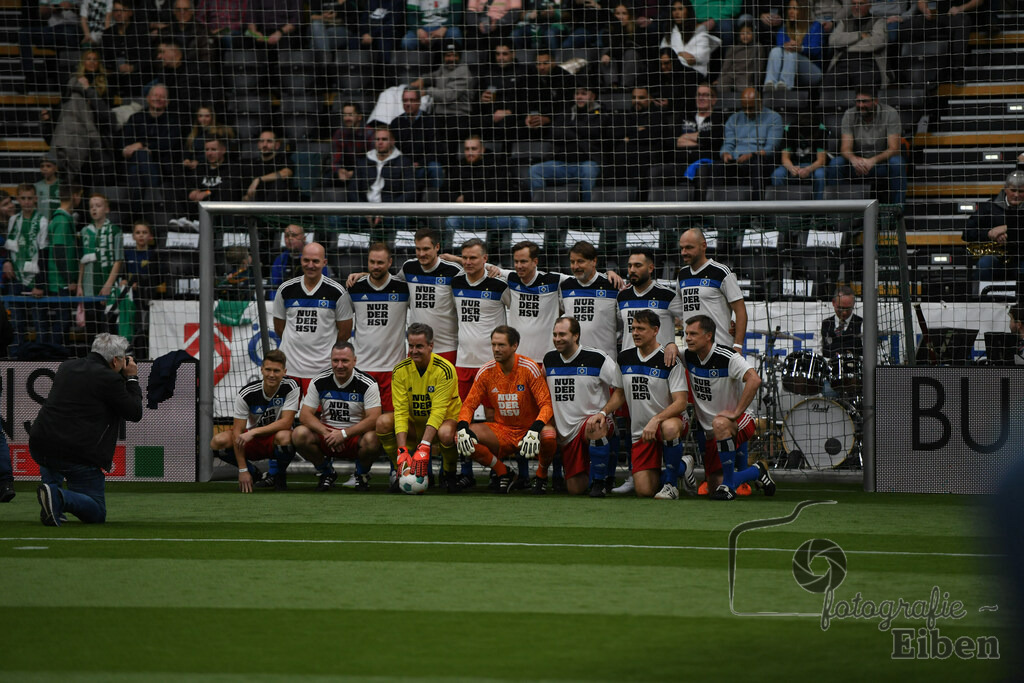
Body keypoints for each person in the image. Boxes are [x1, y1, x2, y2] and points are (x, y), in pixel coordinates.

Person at [32, 333, 143, 526]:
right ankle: (57, 497)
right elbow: (134, 412)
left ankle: (52, 495)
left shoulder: (67, 367)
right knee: (97, 512)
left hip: (41, 444)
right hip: (76, 453)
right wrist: (132, 378)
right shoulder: (110, 379)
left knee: (52, 458)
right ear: (116, 360)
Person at [682, 314, 775, 500]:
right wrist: (669, 346)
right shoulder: (688, 356)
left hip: (738, 420)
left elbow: (754, 379)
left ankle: (729, 487)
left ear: (708, 336)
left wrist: (736, 412)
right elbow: (671, 351)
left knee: (720, 423)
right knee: (714, 486)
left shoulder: (727, 356)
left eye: (693, 334)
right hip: (711, 429)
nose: (688, 338)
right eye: (686, 334)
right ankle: (757, 471)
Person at [456, 325, 557, 493]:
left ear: (514, 346)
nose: (496, 349)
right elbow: (469, 405)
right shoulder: (486, 372)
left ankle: (541, 476)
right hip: (502, 431)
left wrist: (535, 428)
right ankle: (504, 472)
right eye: (494, 345)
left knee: (549, 434)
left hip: (529, 431)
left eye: (501, 345)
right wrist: (462, 427)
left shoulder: (529, 368)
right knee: (461, 438)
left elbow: (546, 404)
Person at [350, 227, 463, 363]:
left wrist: (466, 261)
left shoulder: (453, 270)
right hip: (416, 350)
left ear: (437, 247)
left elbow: (475, 273)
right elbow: (390, 281)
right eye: (418, 249)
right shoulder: (409, 267)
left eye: (426, 249)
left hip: (446, 348)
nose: (421, 254)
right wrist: (364, 275)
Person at [542, 316, 624, 495]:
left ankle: (601, 482)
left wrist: (603, 412)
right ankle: (591, 471)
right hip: (566, 434)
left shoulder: (597, 358)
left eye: (562, 334)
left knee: (595, 426)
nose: (557, 339)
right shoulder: (549, 360)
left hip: (591, 424)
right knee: (575, 489)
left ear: (576, 335)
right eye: (555, 334)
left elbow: (620, 388)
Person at [617, 310, 693, 499]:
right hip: (641, 431)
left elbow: (682, 402)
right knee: (644, 491)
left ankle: (671, 485)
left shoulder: (669, 359)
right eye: (633, 328)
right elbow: (619, 394)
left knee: (668, 427)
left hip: (669, 423)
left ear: (655, 330)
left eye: (641, 329)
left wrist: (656, 419)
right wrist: (602, 413)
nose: (635, 333)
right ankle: (682, 466)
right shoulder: (624, 357)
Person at [377, 323, 462, 491]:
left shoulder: (445, 369)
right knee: (383, 422)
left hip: (442, 424)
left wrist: (424, 446)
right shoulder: (400, 370)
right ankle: (402, 470)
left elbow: (438, 411)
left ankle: (448, 474)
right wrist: (401, 450)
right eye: (411, 346)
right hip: (415, 424)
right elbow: (400, 412)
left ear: (431, 346)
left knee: (446, 433)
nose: (414, 351)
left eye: (419, 346)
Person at [292, 343, 383, 491]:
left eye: (345, 361)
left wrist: (344, 434)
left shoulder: (367, 383)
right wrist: (327, 433)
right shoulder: (319, 380)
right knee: (299, 434)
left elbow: (374, 418)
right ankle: (326, 472)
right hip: (328, 436)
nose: (339, 365)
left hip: (354, 437)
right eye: (335, 361)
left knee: (374, 439)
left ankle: (361, 474)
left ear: (354, 361)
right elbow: (305, 415)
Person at [210, 349, 300, 491]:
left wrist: (254, 431)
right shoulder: (247, 393)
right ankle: (253, 473)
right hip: (252, 441)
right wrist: (242, 470)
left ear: (284, 372)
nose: (271, 375)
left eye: (276, 371)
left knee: (287, 437)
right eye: (268, 370)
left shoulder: (291, 386)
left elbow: (286, 422)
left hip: (274, 438)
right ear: (262, 370)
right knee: (218, 442)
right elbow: (238, 432)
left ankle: (278, 476)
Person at [271, 242, 354, 391]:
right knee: (285, 414)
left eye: (315, 261)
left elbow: (345, 333)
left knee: (316, 415)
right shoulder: (285, 289)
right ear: (301, 260)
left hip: (322, 370)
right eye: (306, 260)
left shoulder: (337, 292)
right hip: (289, 368)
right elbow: (279, 328)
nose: (310, 265)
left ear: (324, 262)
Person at [348, 242, 410, 413]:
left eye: (380, 262)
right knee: (363, 422)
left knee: (390, 422)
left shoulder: (403, 288)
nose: (375, 266)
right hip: (362, 368)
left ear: (389, 262)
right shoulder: (355, 287)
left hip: (393, 369)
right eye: (372, 262)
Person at [451, 238, 511, 399]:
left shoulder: (499, 284)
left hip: (491, 361)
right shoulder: (456, 282)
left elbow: (515, 310)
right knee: (463, 412)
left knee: (493, 413)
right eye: (464, 258)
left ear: (485, 259)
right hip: (463, 361)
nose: (468, 262)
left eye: (473, 258)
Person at [825, 86, 906, 206]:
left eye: (865, 101)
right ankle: (838, 213)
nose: (861, 105)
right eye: (858, 101)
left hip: (880, 164)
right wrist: (854, 160)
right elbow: (845, 148)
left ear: (875, 101)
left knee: (897, 162)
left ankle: (897, 211)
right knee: (836, 164)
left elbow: (894, 148)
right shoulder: (849, 115)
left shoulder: (890, 113)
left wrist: (872, 161)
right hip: (857, 165)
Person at [529, 81, 606, 202]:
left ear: (592, 96)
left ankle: (589, 214)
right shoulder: (566, 112)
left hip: (586, 163)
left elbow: (594, 131)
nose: (579, 96)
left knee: (589, 170)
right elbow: (554, 133)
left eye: (583, 93)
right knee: (535, 170)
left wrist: (569, 129)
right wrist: (579, 132)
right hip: (562, 164)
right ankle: (541, 213)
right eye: (577, 93)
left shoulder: (602, 113)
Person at [672, 228, 747, 349]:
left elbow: (740, 310)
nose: (684, 252)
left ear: (703, 246)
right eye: (682, 248)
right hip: (691, 351)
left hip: (720, 348)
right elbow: (680, 311)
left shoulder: (721, 272)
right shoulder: (682, 275)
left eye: (689, 247)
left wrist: (738, 345)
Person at [443, 135, 528, 233]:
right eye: (467, 149)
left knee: (521, 221)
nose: (470, 152)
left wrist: (466, 198)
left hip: (495, 216)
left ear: (482, 150)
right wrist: (456, 198)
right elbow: (444, 192)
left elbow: (497, 193)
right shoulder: (458, 167)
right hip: (470, 216)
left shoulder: (496, 165)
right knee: (451, 221)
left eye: (474, 149)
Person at [4, 184, 49, 351]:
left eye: (30, 198)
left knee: (40, 322)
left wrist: (40, 284)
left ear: (35, 199)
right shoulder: (13, 220)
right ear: (18, 200)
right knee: (16, 322)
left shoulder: (42, 221)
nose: (27, 202)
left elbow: (44, 254)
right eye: (23, 198)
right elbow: (10, 246)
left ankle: (43, 357)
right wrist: (7, 262)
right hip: (15, 278)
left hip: (35, 278)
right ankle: (16, 357)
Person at [718, 87, 784, 198]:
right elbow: (728, 143)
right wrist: (725, 153)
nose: (747, 112)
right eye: (744, 108)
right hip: (736, 160)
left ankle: (756, 210)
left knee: (757, 164)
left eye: (751, 108)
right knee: (714, 167)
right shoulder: (734, 118)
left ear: (760, 102)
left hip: (760, 159)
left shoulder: (774, 118)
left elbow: (771, 148)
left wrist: (751, 155)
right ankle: (714, 210)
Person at [559, 241, 621, 359]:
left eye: (580, 261)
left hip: (606, 359)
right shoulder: (565, 286)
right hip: (574, 359)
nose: (576, 266)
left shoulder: (612, 285)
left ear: (594, 261)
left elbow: (621, 323)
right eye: (572, 262)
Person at [507, 240, 566, 364]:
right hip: (517, 359)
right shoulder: (510, 278)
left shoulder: (553, 280)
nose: (518, 266)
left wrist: (609, 273)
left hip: (546, 359)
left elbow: (583, 278)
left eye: (523, 261)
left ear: (535, 262)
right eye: (516, 261)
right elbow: (481, 265)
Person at [351, 125, 417, 229]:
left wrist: (386, 210)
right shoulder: (363, 161)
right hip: (365, 210)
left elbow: (410, 193)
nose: (380, 142)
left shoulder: (403, 162)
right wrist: (364, 210)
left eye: (384, 139)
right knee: (335, 217)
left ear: (392, 141)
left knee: (402, 219)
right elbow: (352, 190)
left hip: (391, 210)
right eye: (377, 139)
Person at [963, 171, 1024, 282]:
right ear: (1005, 189)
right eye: (1013, 190)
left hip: (1021, 259)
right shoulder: (988, 208)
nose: (1016, 195)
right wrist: (989, 233)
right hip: (996, 258)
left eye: (1021, 191)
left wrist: (1006, 228)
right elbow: (967, 233)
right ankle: (984, 299)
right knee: (984, 264)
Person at [617, 247, 679, 355]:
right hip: (630, 364)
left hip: (660, 363)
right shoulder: (622, 296)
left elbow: (690, 320)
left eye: (638, 265)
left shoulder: (668, 296)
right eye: (629, 266)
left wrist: (672, 344)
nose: (632, 270)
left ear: (650, 268)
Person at [408, 44, 474, 143]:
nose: (451, 58)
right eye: (448, 55)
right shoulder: (444, 68)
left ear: (459, 57)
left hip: (457, 116)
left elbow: (448, 95)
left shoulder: (463, 72)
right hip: (440, 115)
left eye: (454, 55)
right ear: (443, 57)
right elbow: (434, 76)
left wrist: (427, 91)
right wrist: (422, 80)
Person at [659, 0, 721, 99]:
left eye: (680, 9)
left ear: (688, 11)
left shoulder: (700, 34)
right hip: (673, 78)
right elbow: (663, 58)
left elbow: (700, 58)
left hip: (695, 78)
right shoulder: (668, 36)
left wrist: (676, 57)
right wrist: (681, 55)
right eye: (674, 9)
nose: (676, 12)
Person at [823, 0, 887, 92]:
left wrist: (846, 45)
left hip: (867, 62)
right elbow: (833, 41)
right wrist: (859, 35)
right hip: (844, 61)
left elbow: (877, 42)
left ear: (869, 5)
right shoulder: (844, 22)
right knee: (827, 89)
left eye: (860, 4)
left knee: (865, 89)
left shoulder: (878, 21)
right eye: (854, 4)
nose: (856, 7)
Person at [763, 0, 825, 90]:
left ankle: (785, 85)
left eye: (795, 8)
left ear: (803, 11)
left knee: (791, 52)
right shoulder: (784, 29)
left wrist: (800, 48)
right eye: (790, 8)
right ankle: (770, 83)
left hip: (811, 72)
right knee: (776, 50)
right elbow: (780, 45)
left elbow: (816, 49)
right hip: (789, 68)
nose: (791, 11)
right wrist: (786, 46)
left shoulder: (815, 26)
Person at [671, 82, 725, 185]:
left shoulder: (719, 118)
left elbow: (715, 139)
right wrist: (701, 142)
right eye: (698, 94)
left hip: (706, 164)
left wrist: (686, 137)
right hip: (681, 163)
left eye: (705, 95)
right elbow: (675, 141)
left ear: (714, 100)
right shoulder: (684, 117)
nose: (701, 98)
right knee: (656, 172)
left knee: (702, 171)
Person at [390, 89, 443, 190]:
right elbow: (393, 149)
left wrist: (419, 163)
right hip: (402, 167)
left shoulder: (430, 121)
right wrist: (405, 164)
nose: (408, 104)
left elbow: (437, 150)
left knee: (435, 168)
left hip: (423, 166)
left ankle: (437, 202)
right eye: (405, 101)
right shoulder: (396, 123)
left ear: (419, 102)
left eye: (412, 100)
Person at [770, 113, 828, 200]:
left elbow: (821, 160)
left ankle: (818, 210)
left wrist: (808, 169)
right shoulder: (789, 129)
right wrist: (791, 168)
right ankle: (782, 210)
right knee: (777, 175)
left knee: (820, 175)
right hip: (793, 163)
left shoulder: (821, 129)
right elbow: (785, 158)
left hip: (814, 165)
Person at [77, 193, 122, 300]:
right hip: (87, 287)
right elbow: (82, 261)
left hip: (107, 285)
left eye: (98, 206)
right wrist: (79, 285)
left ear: (107, 209)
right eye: (91, 206)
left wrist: (108, 285)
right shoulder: (84, 231)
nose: (94, 209)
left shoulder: (115, 231)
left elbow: (119, 260)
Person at [243, 129, 295, 204]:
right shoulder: (252, 164)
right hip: (255, 205)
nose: (264, 145)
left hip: (278, 205)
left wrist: (259, 179)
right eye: (262, 141)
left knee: (279, 183)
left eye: (269, 141)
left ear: (277, 145)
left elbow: (286, 173)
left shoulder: (283, 159)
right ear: (258, 144)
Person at [331, 103, 374, 186]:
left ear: (359, 117)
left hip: (365, 170)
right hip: (345, 170)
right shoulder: (339, 133)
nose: (347, 118)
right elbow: (335, 159)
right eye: (345, 115)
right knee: (327, 180)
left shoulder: (369, 133)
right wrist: (339, 170)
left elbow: (372, 160)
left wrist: (356, 172)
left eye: (350, 115)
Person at [821, 284, 863, 357]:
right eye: (841, 308)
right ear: (833, 303)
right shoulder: (823, 325)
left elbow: (870, 358)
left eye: (848, 309)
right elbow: (817, 355)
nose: (844, 312)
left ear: (854, 304)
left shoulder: (862, 324)